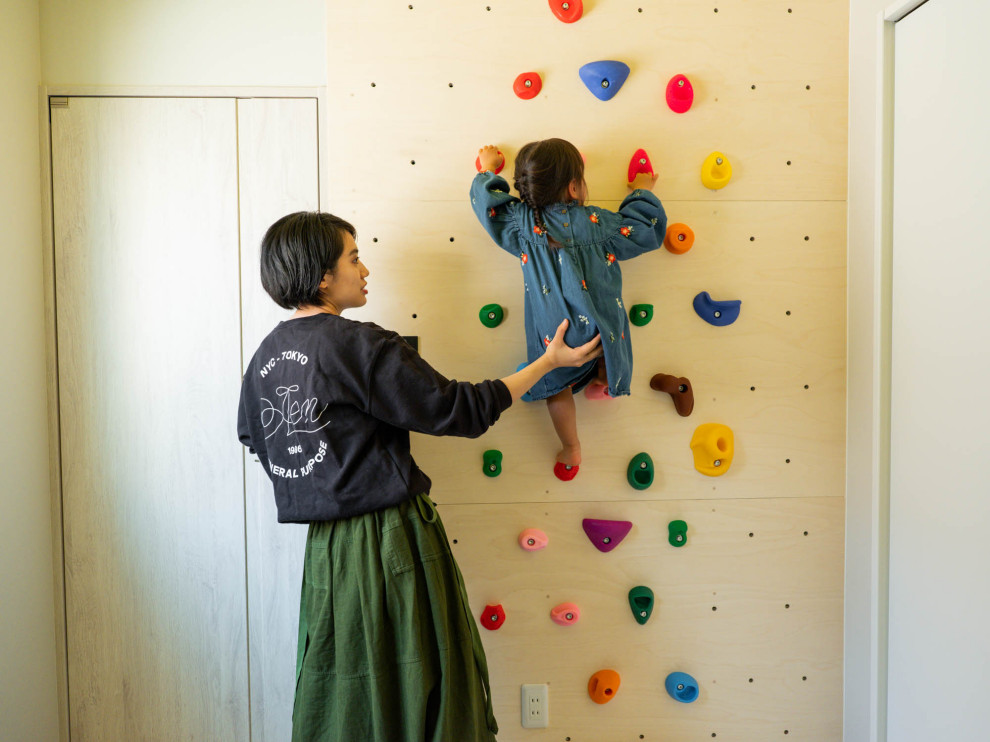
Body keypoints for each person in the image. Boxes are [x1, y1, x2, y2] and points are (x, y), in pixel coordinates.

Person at [236, 211, 602, 742]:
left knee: (348, 691)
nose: (365, 269)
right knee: (420, 684)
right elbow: (460, 410)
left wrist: (326, 468)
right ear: (322, 276)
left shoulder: (264, 358)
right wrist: (548, 363)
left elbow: (252, 435)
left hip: (327, 555)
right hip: (392, 542)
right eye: (354, 257)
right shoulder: (359, 345)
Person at [470, 139, 667, 481]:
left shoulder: (520, 223)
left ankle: (572, 447)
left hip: (555, 335)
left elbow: (490, 209)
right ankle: (605, 377)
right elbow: (645, 232)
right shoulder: (598, 222)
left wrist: (487, 169)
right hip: (598, 328)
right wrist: (640, 191)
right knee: (607, 341)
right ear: (574, 187)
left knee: (555, 389)